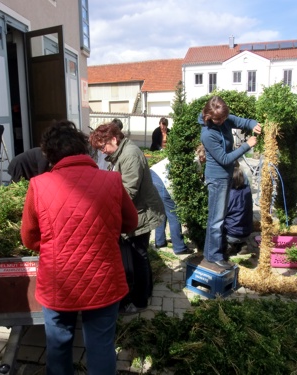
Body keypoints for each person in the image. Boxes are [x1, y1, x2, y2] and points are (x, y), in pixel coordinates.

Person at [21, 120, 138, 375]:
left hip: (58, 281)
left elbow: (29, 238)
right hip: (103, 279)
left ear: (50, 155)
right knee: (100, 346)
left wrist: (56, 244)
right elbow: (131, 222)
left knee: (58, 346)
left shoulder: (39, 185)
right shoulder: (112, 180)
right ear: (84, 149)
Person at [89, 123, 165, 313]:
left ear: (114, 139)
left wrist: (106, 210)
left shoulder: (130, 154)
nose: (102, 151)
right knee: (140, 255)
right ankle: (145, 292)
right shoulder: (120, 153)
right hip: (136, 211)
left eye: (103, 146)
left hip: (142, 213)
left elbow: (128, 191)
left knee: (138, 256)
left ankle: (140, 301)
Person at [199, 96, 261, 269]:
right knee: (216, 220)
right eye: (219, 119)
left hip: (225, 177)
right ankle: (214, 256)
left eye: (224, 118)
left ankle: (210, 253)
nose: (223, 121)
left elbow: (242, 121)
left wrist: (252, 124)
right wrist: (246, 145)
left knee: (218, 218)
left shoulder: (224, 118)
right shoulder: (208, 134)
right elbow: (225, 159)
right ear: (209, 116)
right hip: (217, 179)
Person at [150, 157, 192, 255]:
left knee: (162, 211)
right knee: (174, 215)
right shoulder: (193, 161)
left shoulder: (186, 154)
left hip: (153, 176)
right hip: (162, 181)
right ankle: (179, 247)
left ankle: (159, 241)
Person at [224, 164, 254, 256]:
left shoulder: (229, 194)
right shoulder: (247, 191)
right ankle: (242, 244)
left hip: (231, 234)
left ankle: (228, 246)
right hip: (247, 232)